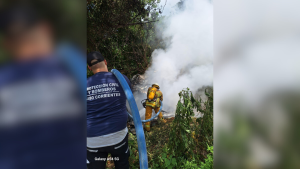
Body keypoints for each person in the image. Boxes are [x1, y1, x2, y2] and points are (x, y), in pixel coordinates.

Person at [86, 51, 131, 169]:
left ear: (89, 67)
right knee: (122, 165)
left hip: (93, 141)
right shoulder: (122, 80)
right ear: (105, 62)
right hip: (118, 138)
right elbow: (127, 98)